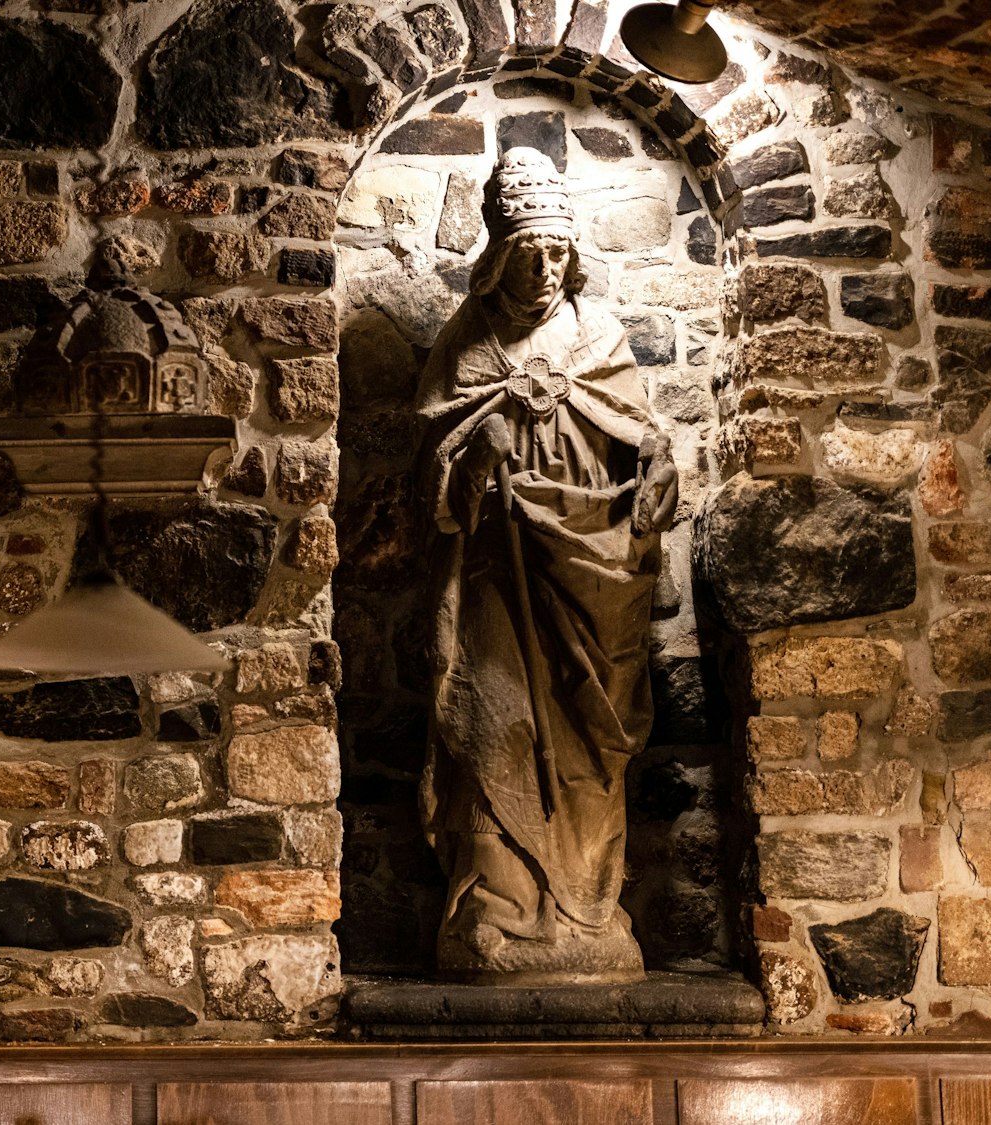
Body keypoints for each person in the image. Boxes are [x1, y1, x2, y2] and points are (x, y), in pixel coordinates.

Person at [416, 148, 679, 985]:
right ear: (497, 254)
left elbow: (641, 443)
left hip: (587, 584)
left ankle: (585, 915)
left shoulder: (599, 338)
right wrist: (471, 459)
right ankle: (496, 909)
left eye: (557, 251)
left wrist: (656, 476)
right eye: (526, 250)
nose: (542, 268)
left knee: (584, 747)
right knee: (497, 728)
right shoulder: (468, 342)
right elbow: (429, 469)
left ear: (574, 256)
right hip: (497, 577)